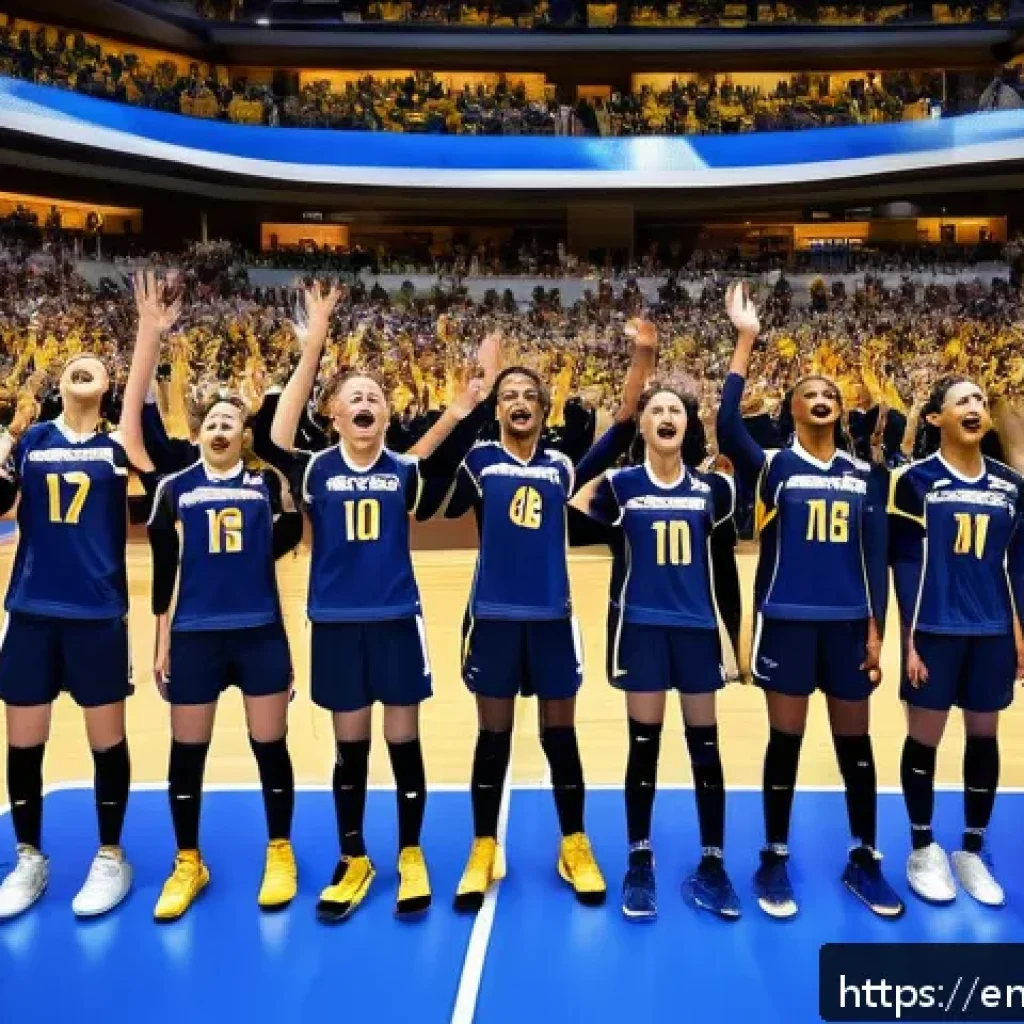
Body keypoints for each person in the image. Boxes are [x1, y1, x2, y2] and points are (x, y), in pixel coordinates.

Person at [270, 283, 500, 923]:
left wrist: (462, 407)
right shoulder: (313, 470)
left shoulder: (402, 472)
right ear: (335, 414)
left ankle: (409, 852)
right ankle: (353, 857)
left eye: (375, 397)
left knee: (403, 742)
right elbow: (277, 432)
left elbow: (434, 453)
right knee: (352, 751)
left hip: (398, 623)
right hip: (338, 629)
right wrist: (314, 343)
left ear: (388, 416)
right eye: (355, 398)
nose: (366, 402)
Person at [442, 322, 656, 913]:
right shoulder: (481, 459)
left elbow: (618, 428)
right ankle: (484, 844)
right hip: (492, 618)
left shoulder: (562, 467)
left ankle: (574, 842)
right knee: (494, 739)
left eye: (527, 395)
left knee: (560, 738)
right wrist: (473, 394)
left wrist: (642, 356)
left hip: (553, 620)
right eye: (507, 395)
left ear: (543, 408)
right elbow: (433, 488)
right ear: (498, 407)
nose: (518, 402)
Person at [118, 273, 304, 921]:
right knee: (185, 752)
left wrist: (282, 495)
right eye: (214, 420)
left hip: (258, 635)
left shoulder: (263, 486)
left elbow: (284, 546)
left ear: (243, 433)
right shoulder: (172, 485)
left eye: (232, 420)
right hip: (194, 636)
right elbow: (163, 571)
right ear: (199, 432)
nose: (222, 426)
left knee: (269, 746)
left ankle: (280, 849)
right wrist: (160, 640)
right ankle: (187, 860)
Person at [717, 281, 902, 920]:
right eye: (809, 395)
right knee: (785, 743)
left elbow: (874, 558)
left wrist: (878, 629)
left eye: (830, 395)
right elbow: (723, 424)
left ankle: (865, 858)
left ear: (840, 411)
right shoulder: (771, 465)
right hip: (788, 625)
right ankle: (773, 855)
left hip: (851, 628)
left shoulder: (862, 475)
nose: (821, 400)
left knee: (858, 746)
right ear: (792, 410)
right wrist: (746, 338)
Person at [571, 384, 739, 921]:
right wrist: (613, 424)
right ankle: (638, 858)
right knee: (643, 748)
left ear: (688, 426)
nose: (667, 417)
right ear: (643, 425)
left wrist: (738, 641)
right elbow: (568, 494)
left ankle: (713, 862)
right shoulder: (619, 486)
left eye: (676, 411)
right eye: (657, 411)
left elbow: (726, 571)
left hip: (695, 631)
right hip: (640, 629)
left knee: (705, 749)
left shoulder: (714, 489)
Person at [0, 348, 148, 919]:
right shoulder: (31, 439)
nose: (82, 365)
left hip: (98, 613)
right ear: (59, 382)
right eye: (73, 362)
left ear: (107, 386)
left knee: (105, 742)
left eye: (95, 363)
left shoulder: (118, 450)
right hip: (32, 609)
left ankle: (111, 854)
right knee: (23, 741)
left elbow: (151, 457)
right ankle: (29, 857)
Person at [890, 376, 1024, 908]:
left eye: (979, 401)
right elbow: (904, 566)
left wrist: (1020, 628)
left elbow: (1018, 565)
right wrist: (910, 640)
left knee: (984, 738)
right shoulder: (914, 481)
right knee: (924, 739)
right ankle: (923, 846)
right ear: (934, 419)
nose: (974, 407)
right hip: (936, 631)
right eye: (961, 401)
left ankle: (971, 849)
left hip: (990, 631)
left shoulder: (1011, 485)